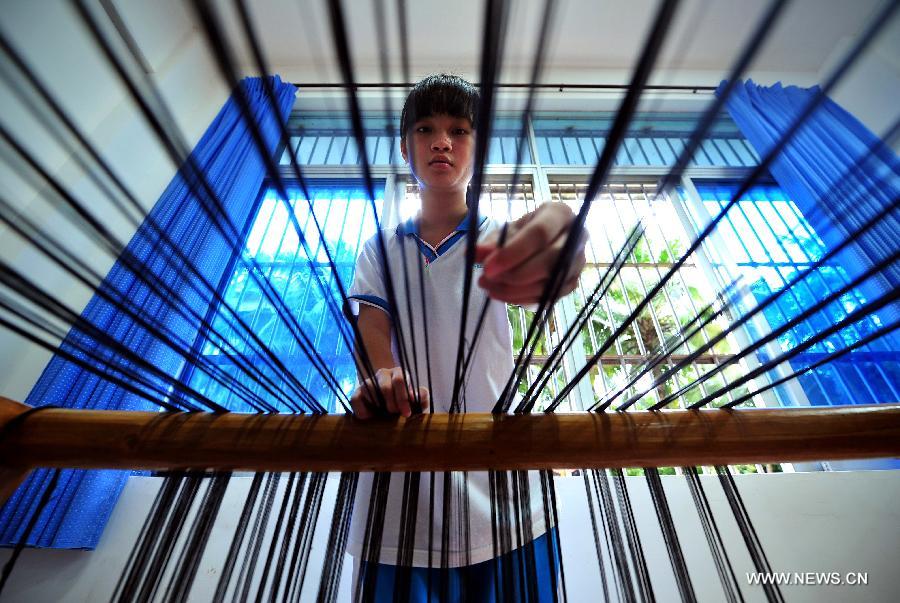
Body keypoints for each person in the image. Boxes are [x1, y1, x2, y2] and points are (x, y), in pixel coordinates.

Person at [347, 74, 586, 601]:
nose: (441, 142)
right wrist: (385, 379)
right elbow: (372, 332)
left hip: (503, 487)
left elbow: (556, 262)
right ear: (405, 146)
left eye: (459, 130)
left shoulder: (499, 242)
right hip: (399, 488)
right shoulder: (378, 250)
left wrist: (563, 230)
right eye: (426, 128)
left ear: (478, 148)